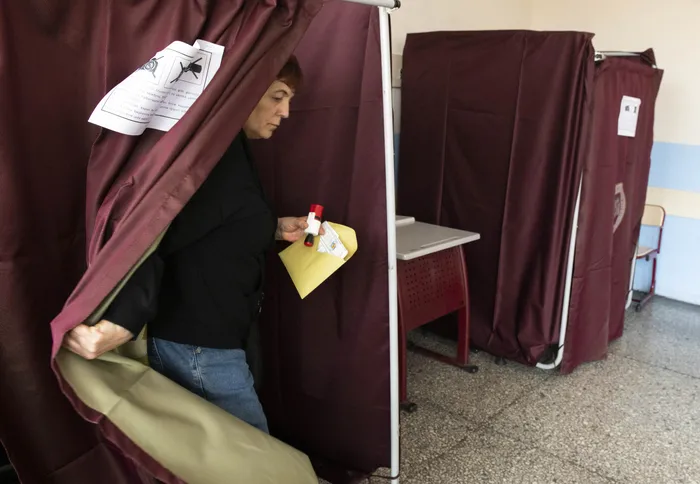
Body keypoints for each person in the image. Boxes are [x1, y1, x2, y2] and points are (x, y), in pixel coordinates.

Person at [63, 56, 315, 434]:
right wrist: (124, 317)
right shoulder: (212, 158)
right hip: (198, 344)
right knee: (249, 455)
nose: (285, 112)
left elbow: (214, 223)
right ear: (244, 91)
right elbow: (150, 231)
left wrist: (274, 228)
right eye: (277, 97)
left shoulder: (231, 151)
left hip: (214, 338)